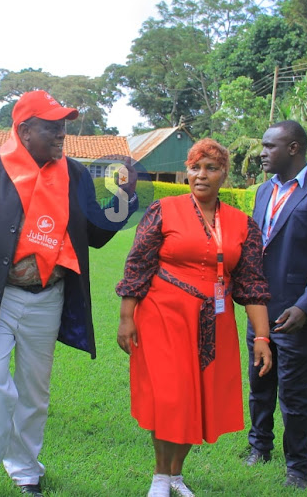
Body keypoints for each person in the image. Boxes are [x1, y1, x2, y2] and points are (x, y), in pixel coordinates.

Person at [0, 90, 139, 497]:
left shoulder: (74, 174)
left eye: (63, 126)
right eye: (52, 126)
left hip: (49, 296)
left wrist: (125, 196)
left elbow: (95, 232)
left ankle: (25, 468)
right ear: (24, 129)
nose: (62, 134)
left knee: (34, 391)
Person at [116, 138, 273, 497]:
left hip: (213, 323)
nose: (201, 175)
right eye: (195, 168)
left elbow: (252, 285)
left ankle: (176, 475)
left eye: (211, 168)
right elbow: (137, 266)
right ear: (187, 172)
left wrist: (262, 337)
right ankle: (159, 476)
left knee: (198, 398)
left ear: (224, 175)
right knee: (171, 396)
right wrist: (127, 317)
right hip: (162, 316)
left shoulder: (242, 225)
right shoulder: (163, 210)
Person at [245, 121, 307, 490]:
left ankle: (298, 468)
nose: (262, 152)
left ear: (293, 148)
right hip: (261, 311)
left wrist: (305, 307)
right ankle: (259, 447)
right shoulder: (262, 191)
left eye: (270, 146)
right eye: (263, 145)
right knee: (259, 383)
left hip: (299, 317)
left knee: (293, 392)